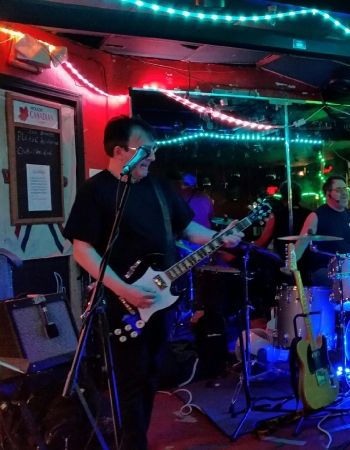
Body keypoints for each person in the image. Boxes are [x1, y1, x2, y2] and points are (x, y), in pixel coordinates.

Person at [63, 116, 243, 450]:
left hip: (159, 300)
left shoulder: (159, 188)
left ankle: (136, 439)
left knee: (150, 376)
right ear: (119, 151)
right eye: (146, 150)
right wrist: (124, 289)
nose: (153, 157)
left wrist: (220, 237)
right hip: (121, 303)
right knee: (129, 379)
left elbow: (187, 229)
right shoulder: (96, 190)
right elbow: (82, 249)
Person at [295, 175, 350, 286]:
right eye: (339, 190)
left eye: (345, 189)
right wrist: (290, 265)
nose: (344, 193)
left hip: (348, 269)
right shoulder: (316, 216)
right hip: (325, 270)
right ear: (328, 194)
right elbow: (300, 245)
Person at [254, 181, 312, 262]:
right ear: (299, 195)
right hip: (307, 261)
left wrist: (246, 245)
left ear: (282, 195)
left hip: (282, 262)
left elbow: (262, 242)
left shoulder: (276, 215)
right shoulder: (310, 214)